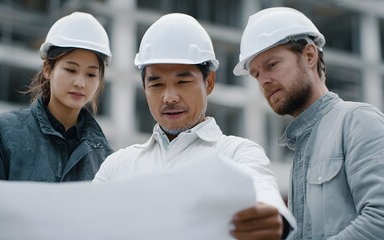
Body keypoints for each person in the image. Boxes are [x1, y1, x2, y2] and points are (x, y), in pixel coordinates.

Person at [93, 13, 296, 239]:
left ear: (208, 82)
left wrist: (271, 216)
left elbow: (262, 193)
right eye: (157, 84)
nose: (169, 97)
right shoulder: (116, 167)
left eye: (183, 82)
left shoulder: (237, 154)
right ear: (144, 88)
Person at [0, 12, 114, 239]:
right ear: (48, 70)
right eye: (70, 69)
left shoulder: (107, 160)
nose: (81, 82)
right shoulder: (0, 133)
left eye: (91, 74)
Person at [233, 7, 384, 239]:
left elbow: (380, 220)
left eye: (272, 65)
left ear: (310, 56)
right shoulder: (303, 146)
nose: (264, 80)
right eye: (255, 74)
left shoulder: (358, 121)